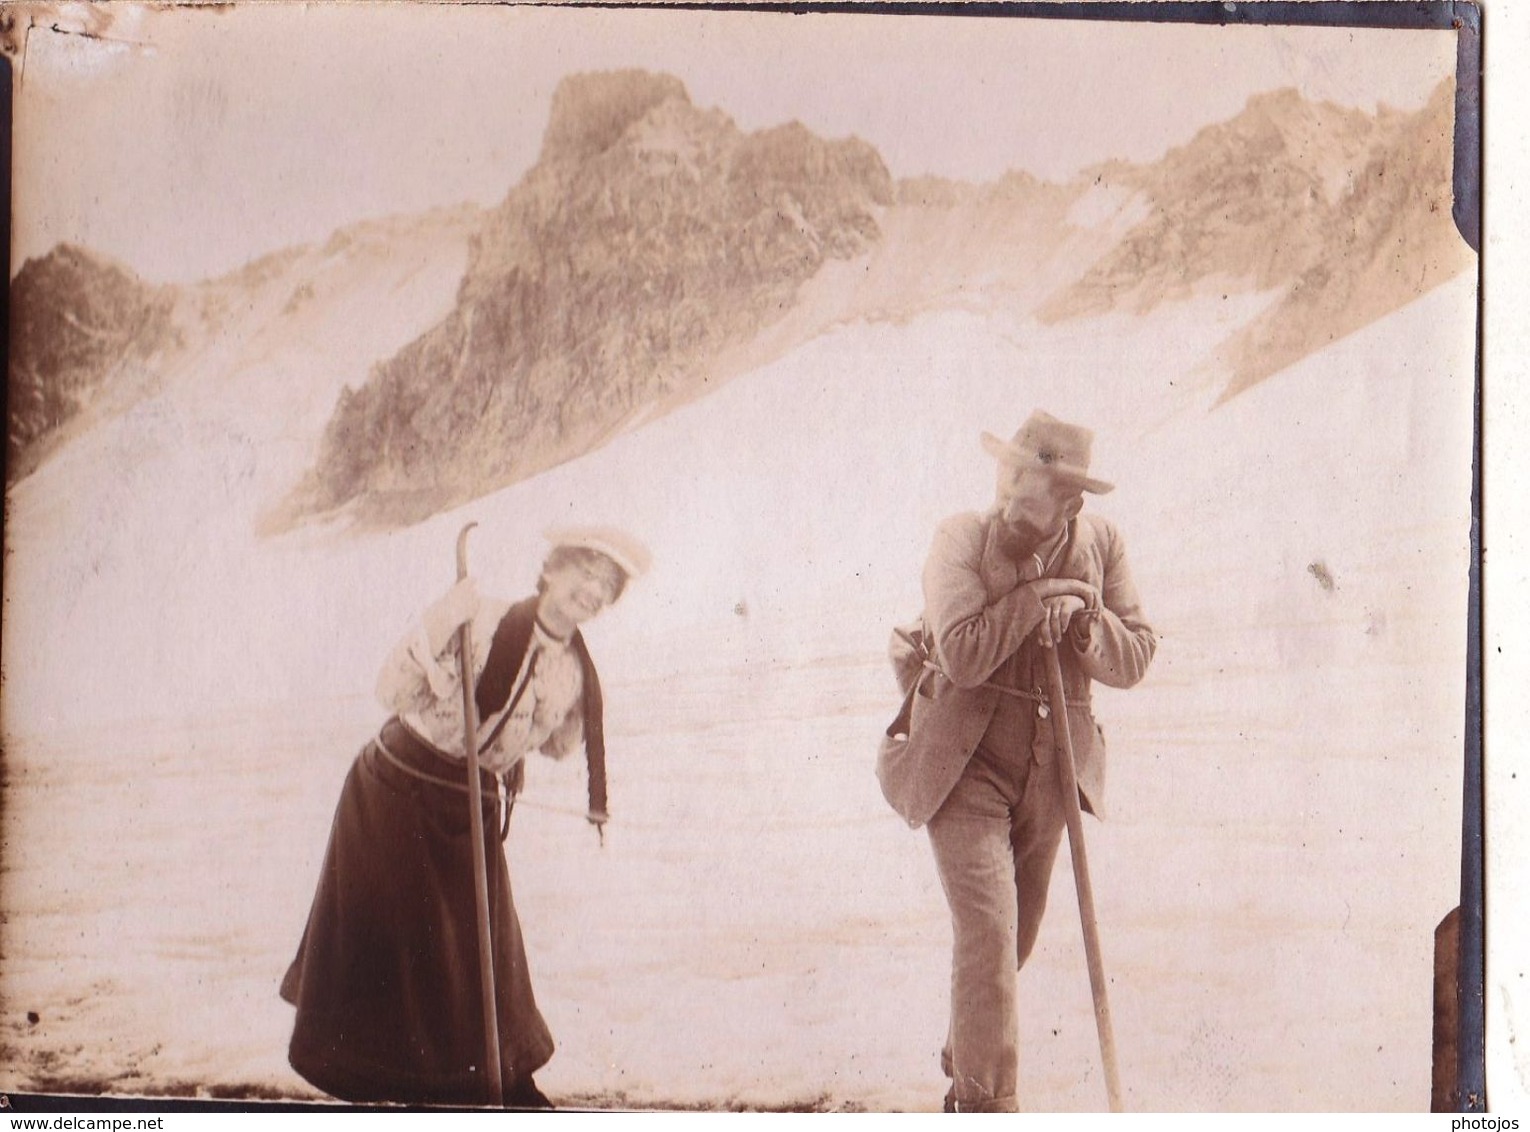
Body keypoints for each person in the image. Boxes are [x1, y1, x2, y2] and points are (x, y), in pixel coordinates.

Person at [280, 526, 650, 1108]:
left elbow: (550, 746)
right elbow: (391, 689)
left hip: (468, 800)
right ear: (551, 569)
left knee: (485, 948)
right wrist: (436, 623)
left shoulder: (576, 673)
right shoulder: (478, 620)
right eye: (586, 573)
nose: (594, 591)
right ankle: (412, 1088)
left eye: (607, 588)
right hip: (396, 790)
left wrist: (568, 726)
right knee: (410, 951)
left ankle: (502, 1083)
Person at [876, 410, 1155, 1112]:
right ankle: (983, 1107)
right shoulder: (959, 540)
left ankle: (967, 1050)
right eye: (1003, 480)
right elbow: (965, 652)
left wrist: (1087, 620)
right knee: (990, 939)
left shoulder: (1104, 544)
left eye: (1024, 493)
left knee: (1011, 946)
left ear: (1070, 503)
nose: (1003, 499)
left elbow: (1139, 653)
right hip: (961, 769)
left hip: (1050, 776)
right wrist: (1038, 601)